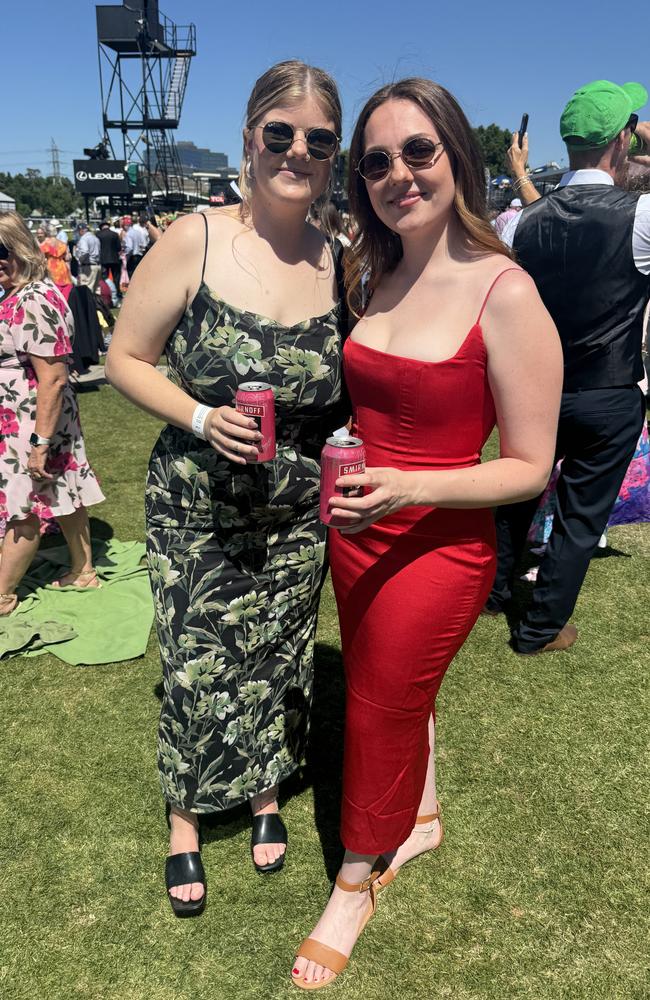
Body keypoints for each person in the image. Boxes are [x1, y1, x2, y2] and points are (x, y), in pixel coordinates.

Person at [289, 77, 562, 990]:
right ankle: (426, 815)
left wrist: (409, 483)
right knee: (384, 687)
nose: (397, 174)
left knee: (376, 706)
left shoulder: (508, 292)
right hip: (358, 531)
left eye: (417, 152)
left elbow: (528, 466)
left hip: (438, 546)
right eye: (374, 161)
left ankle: (355, 880)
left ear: (457, 156)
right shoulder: (376, 270)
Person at [106, 60, 345, 918]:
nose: (297, 152)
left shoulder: (339, 259)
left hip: (293, 514)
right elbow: (123, 359)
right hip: (196, 504)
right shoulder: (193, 237)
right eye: (279, 133)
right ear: (250, 138)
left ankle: (266, 791)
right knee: (196, 656)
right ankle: (184, 815)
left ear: (332, 153)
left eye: (318, 139)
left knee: (280, 656)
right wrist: (204, 419)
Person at [485, 80, 650, 654]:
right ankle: (539, 628)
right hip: (608, 391)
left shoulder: (520, 223)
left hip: (535, 387)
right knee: (580, 519)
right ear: (623, 138)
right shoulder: (641, 215)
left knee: (515, 496)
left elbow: (541, 227)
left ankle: (494, 592)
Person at [0, 212, 105, 614]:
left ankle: (4, 593)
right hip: (29, 419)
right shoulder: (17, 293)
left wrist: (40, 443)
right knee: (60, 490)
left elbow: (54, 378)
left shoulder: (35, 299)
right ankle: (83, 569)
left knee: (22, 502)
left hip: (33, 421)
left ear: (20, 248)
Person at [37, 223, 73, 297]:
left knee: (53, 294)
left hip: (50, 268)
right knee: (64, 294)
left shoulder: (45, 244)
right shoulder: (62, 244)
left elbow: (38, 257)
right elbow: (67, 258)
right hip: (62, 269)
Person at [75, 222, 101, 292]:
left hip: (88, 267)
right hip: (97, 265)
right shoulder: (95, 238)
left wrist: (80, 261)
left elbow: (85, 252)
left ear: (81, 230)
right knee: (96, 291)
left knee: (86, 290)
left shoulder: (84, 238)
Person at [96, 220, 122, 292]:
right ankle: (117, 291)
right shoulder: (115, 234)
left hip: (103, 259)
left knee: (105, 278)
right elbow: (119, 248)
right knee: (116, 277)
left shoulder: (98, 235)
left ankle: (107, 292)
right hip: (114, 259)